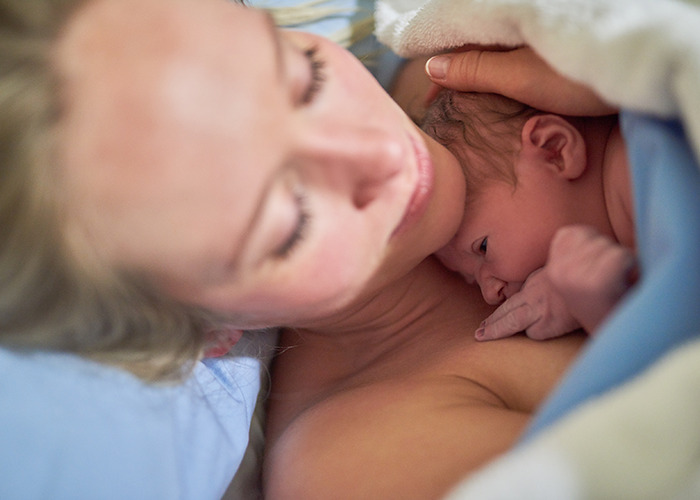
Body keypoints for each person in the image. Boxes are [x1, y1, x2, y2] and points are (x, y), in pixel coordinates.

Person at [2, 0, 594, 497]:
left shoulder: (463, 57)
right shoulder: (370, 456)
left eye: (304, 79)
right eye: (290, 222)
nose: (381, 153)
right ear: (210, 331)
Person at [421, 89, 637, 341]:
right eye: (470, 279)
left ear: (554, 150)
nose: (490, 294)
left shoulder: (633, 167)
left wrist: (606, 306)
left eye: (483, 247)